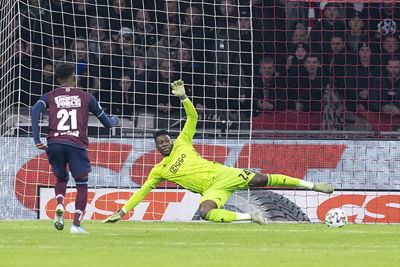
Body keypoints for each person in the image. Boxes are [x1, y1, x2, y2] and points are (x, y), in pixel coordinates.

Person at [102, 80, 334, 225]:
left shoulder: (183, 141)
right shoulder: (159, 170)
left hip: (223, 174)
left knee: (261, 178)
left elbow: (193, 117)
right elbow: (142, 192)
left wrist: (183, 98)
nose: (164, 144)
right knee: (205, 212)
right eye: (160, 143)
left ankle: (313, 186)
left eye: (166, 140)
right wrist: (122, 212)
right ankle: (249, 217)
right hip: (212, 189)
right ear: (157, 147)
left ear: (170, 140)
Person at [31, 63, 119, 233]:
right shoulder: (86, 97)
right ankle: (76, 225)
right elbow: (107, 123)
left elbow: (35, 110)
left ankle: (59, 204)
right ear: (73, 78)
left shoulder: (49, 96)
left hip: (54, 143)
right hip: (75, 143)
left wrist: (36, 138)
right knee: (81, 184)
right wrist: (115, 119)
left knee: (61, 179)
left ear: (57, 79)